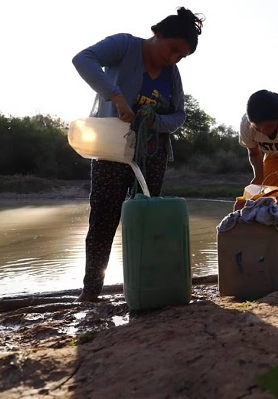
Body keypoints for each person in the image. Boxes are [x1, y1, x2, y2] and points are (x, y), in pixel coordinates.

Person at [72, 7, 204, 302]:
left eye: (180, 56)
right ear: (158, 33)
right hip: (112, 150)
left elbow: (179, 115)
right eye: (172, 50)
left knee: (146, 218)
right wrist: (116, 97)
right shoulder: (125, 46)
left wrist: (155, 121)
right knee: (104, 219)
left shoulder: (172, 75)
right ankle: (91, 291)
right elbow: (83, 59)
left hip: (152, 154)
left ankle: (147, 284)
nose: (173, 59)